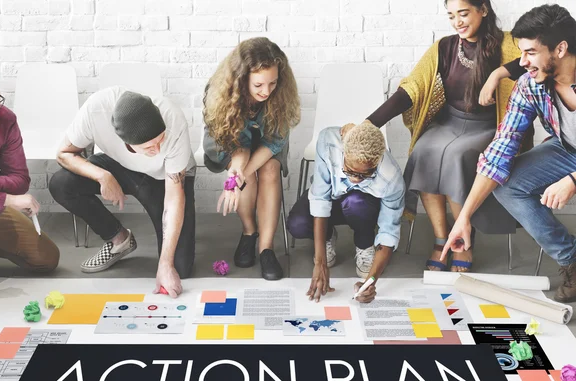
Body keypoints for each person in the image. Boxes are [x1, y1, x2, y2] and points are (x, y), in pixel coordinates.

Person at [357, 0, 531, 273]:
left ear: (483, 10)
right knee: (423, 150)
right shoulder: (445, 47)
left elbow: (537, 57)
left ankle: (463, 238)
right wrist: (369, 123)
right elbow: (411, 88)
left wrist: (499, 73)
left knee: (455, 155)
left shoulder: (509, 43)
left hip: (489, 126)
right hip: (449, 122)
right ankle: (442, 238)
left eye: (463, 13)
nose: (457, 22)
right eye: (451, 16)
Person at [443, 4, 576, 303]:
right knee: (508, 185)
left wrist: (573, 180)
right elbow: (501, 148)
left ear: (560, 49)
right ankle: (572, 260)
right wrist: (464, 217)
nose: (522, 62)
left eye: (530, 52)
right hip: (567, 149)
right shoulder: (531, 86)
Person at [49, 86, 196, 297]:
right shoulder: (95, 110)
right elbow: (63, 154)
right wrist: (103, 176)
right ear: (126, 142)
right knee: (61, 183)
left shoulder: (173, 120)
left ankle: (167, 261)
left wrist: (165, 264)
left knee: (179, 267)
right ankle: (119, 239)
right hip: (120, 166)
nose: (157, 149)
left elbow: (174, 198)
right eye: (149, 147)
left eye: (160, 140)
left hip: (165, 176)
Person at [202, 37, 300, 281]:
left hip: (268, 143)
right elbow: (236, 146)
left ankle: (265, 248)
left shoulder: (281, 95)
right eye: (258, 85)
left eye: (273, 83)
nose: (266, 91)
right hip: (228, 143)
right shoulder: (219, 93)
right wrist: (238, 172)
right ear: (241, 78)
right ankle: (249, 232)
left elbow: (275, 141)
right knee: (246, 173)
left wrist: (240, 175)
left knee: (269, 170)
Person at [287, 122, 405, 303]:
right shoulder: (328, 142)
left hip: (362, 209)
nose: (355, 179)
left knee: (355, 201)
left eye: (365, 175)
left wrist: (370, 282)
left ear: (378, 161)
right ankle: (327, 236)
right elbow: (320, 198)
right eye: (349, 170)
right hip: (332, 198)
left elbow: (388, 233)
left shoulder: (392, 179)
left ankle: (365, 244)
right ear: (343, 152)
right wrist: (320, 262)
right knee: (298, 224)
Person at [0, 64, 59, 272]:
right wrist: (7, 199)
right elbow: (11, 195)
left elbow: (19, 178)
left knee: (46, 257)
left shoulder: (5, 119)